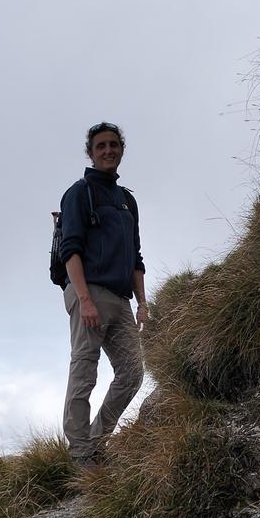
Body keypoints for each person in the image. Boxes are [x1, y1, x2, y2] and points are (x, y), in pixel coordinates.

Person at [57, 121, 148, 464]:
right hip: (89, 293)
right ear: (91, 153)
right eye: (101, 146)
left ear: (121, 149)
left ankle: (96, 441)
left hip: (121, 299)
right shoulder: (80, 193)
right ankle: (80, 456)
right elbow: (71, 250)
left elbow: (136, 256)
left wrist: (143, 302)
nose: (108, 150)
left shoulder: (127, 201)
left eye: (114, 144)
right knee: (85, 372)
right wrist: (84, 299)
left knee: (132, 373)